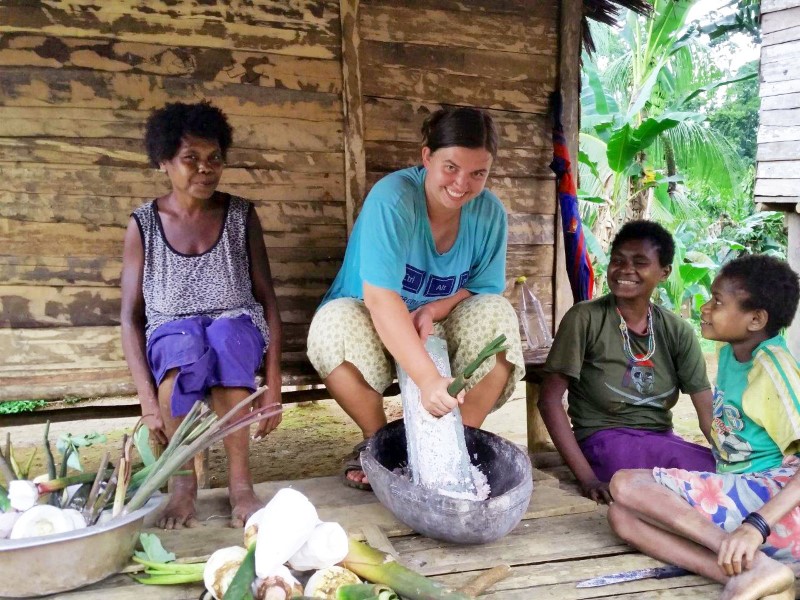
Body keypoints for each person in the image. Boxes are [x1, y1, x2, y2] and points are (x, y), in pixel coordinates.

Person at [307, 107, 525, 491]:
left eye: (478, 173)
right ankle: (384, 448)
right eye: (451, 168)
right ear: (427, 157)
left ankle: (456, 445)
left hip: (435, 324)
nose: (462, 184)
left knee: (499, 319)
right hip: (373, 320)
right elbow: (380, 299)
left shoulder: (489, 212)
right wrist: (427, 379)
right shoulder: (393, 200)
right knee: (330, 327)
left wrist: (435, 308)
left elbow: (482, 286)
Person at [120, 101, 283, 529]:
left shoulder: (240, 215)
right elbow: (130, 318)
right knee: (180, 356)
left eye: (214, 159)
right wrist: (146, 401)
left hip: (237, 323)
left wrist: (274, 385)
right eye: (190, 159)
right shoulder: (144, 224)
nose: (205, 169)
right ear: (164, 162)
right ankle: (182, 485)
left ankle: (241, 485)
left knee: (228, 345)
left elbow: (267, 300)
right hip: (171, 328)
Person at [608, 255, 800, 600]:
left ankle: (750, 557)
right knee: (621, 516)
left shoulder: (773, 368)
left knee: (625, 483)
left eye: (718, 302)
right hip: (746, 496)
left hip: (777, 514)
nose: (706, 308)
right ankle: (756, 573)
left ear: (756, 319)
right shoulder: (733, 352)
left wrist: (755, 528)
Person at [539, 220, 715, 504]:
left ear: (664, 272)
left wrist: (735, 460)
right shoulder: (585, 318)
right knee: (670, 480)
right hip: (603, 442)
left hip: (661, 441)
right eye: (617, 260)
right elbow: (549, 400)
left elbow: (706, 411)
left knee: (717, 471)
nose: (625, 269)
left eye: (640, 262)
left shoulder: (677, 330)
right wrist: (587, 479)